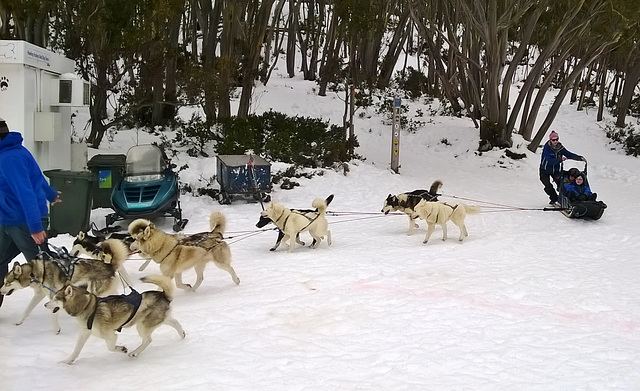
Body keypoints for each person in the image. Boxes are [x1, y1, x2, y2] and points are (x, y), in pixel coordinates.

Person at [0, 117, 61, 308]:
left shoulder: (10, 158)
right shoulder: (14, 152)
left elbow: (25, 192)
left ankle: (73, 301)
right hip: (7, 220)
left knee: (43, 267)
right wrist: (50, 194)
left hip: (24, 222)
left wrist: (35, 227)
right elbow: (37, 178)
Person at [539, 131, 586, 204]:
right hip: (545, 170)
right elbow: (549, 160)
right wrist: (560, 160)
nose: (555, 141)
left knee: (562, 184)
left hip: (556, 170)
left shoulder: (560, 147)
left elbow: (568, 154)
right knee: (548, 185)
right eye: (553, 140)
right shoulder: (547, 148)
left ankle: (568, 199)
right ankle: (554, 198)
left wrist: (579, 158)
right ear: (550, 140)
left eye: (556, 139)